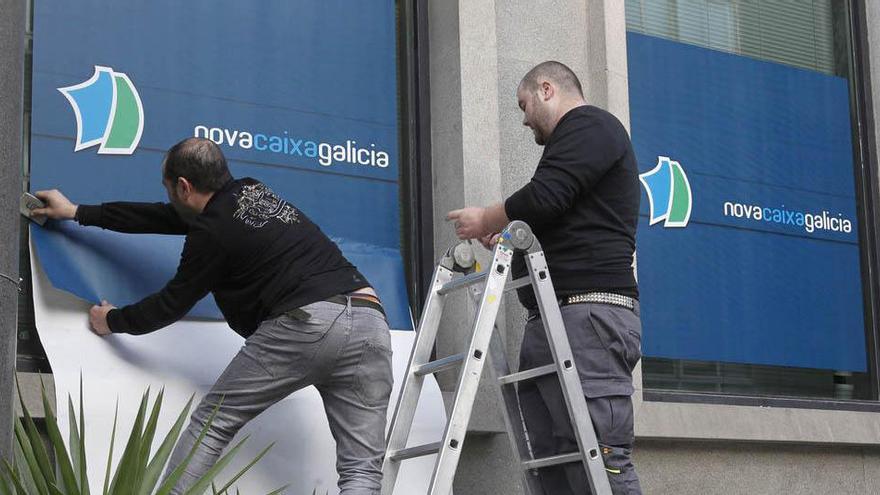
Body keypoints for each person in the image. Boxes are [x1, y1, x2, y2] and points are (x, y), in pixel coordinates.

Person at [33, 137, 393, 495]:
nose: (169, 196)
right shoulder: (252, 191)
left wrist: (110, 321)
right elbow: (166, 215)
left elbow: (170, 304)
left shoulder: (211, 232)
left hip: (305, 322)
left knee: (213, 423)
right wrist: (78, 211)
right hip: (370, 321)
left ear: (184, 186)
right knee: (361, 470)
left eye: (168, 187)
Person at [446, 61, 643, 494]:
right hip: (556, 319)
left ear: (547, 89)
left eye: (524, 104)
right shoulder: (580, 145)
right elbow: (553, 209)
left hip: (587, 317)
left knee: (598, 458)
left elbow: (545, 196)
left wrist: (485, 218)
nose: (522, 118)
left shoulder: (592, 125)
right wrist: (510, 234)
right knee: (553, 464)